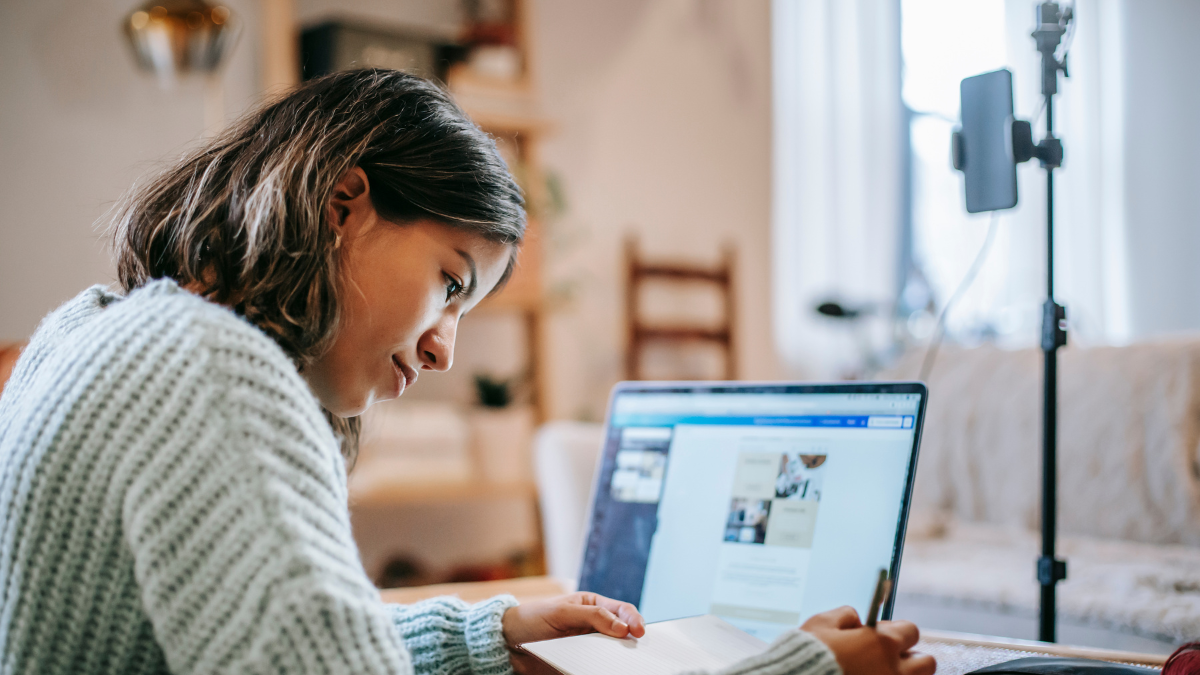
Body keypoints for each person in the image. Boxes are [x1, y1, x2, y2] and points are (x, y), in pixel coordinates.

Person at [0, 69, 935, 675]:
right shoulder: (213, 371)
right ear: (342, 205)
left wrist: (503, 636)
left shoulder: (92, 331)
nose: (446, 347)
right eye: (450, 282)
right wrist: (792, 669)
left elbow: (300, 646)